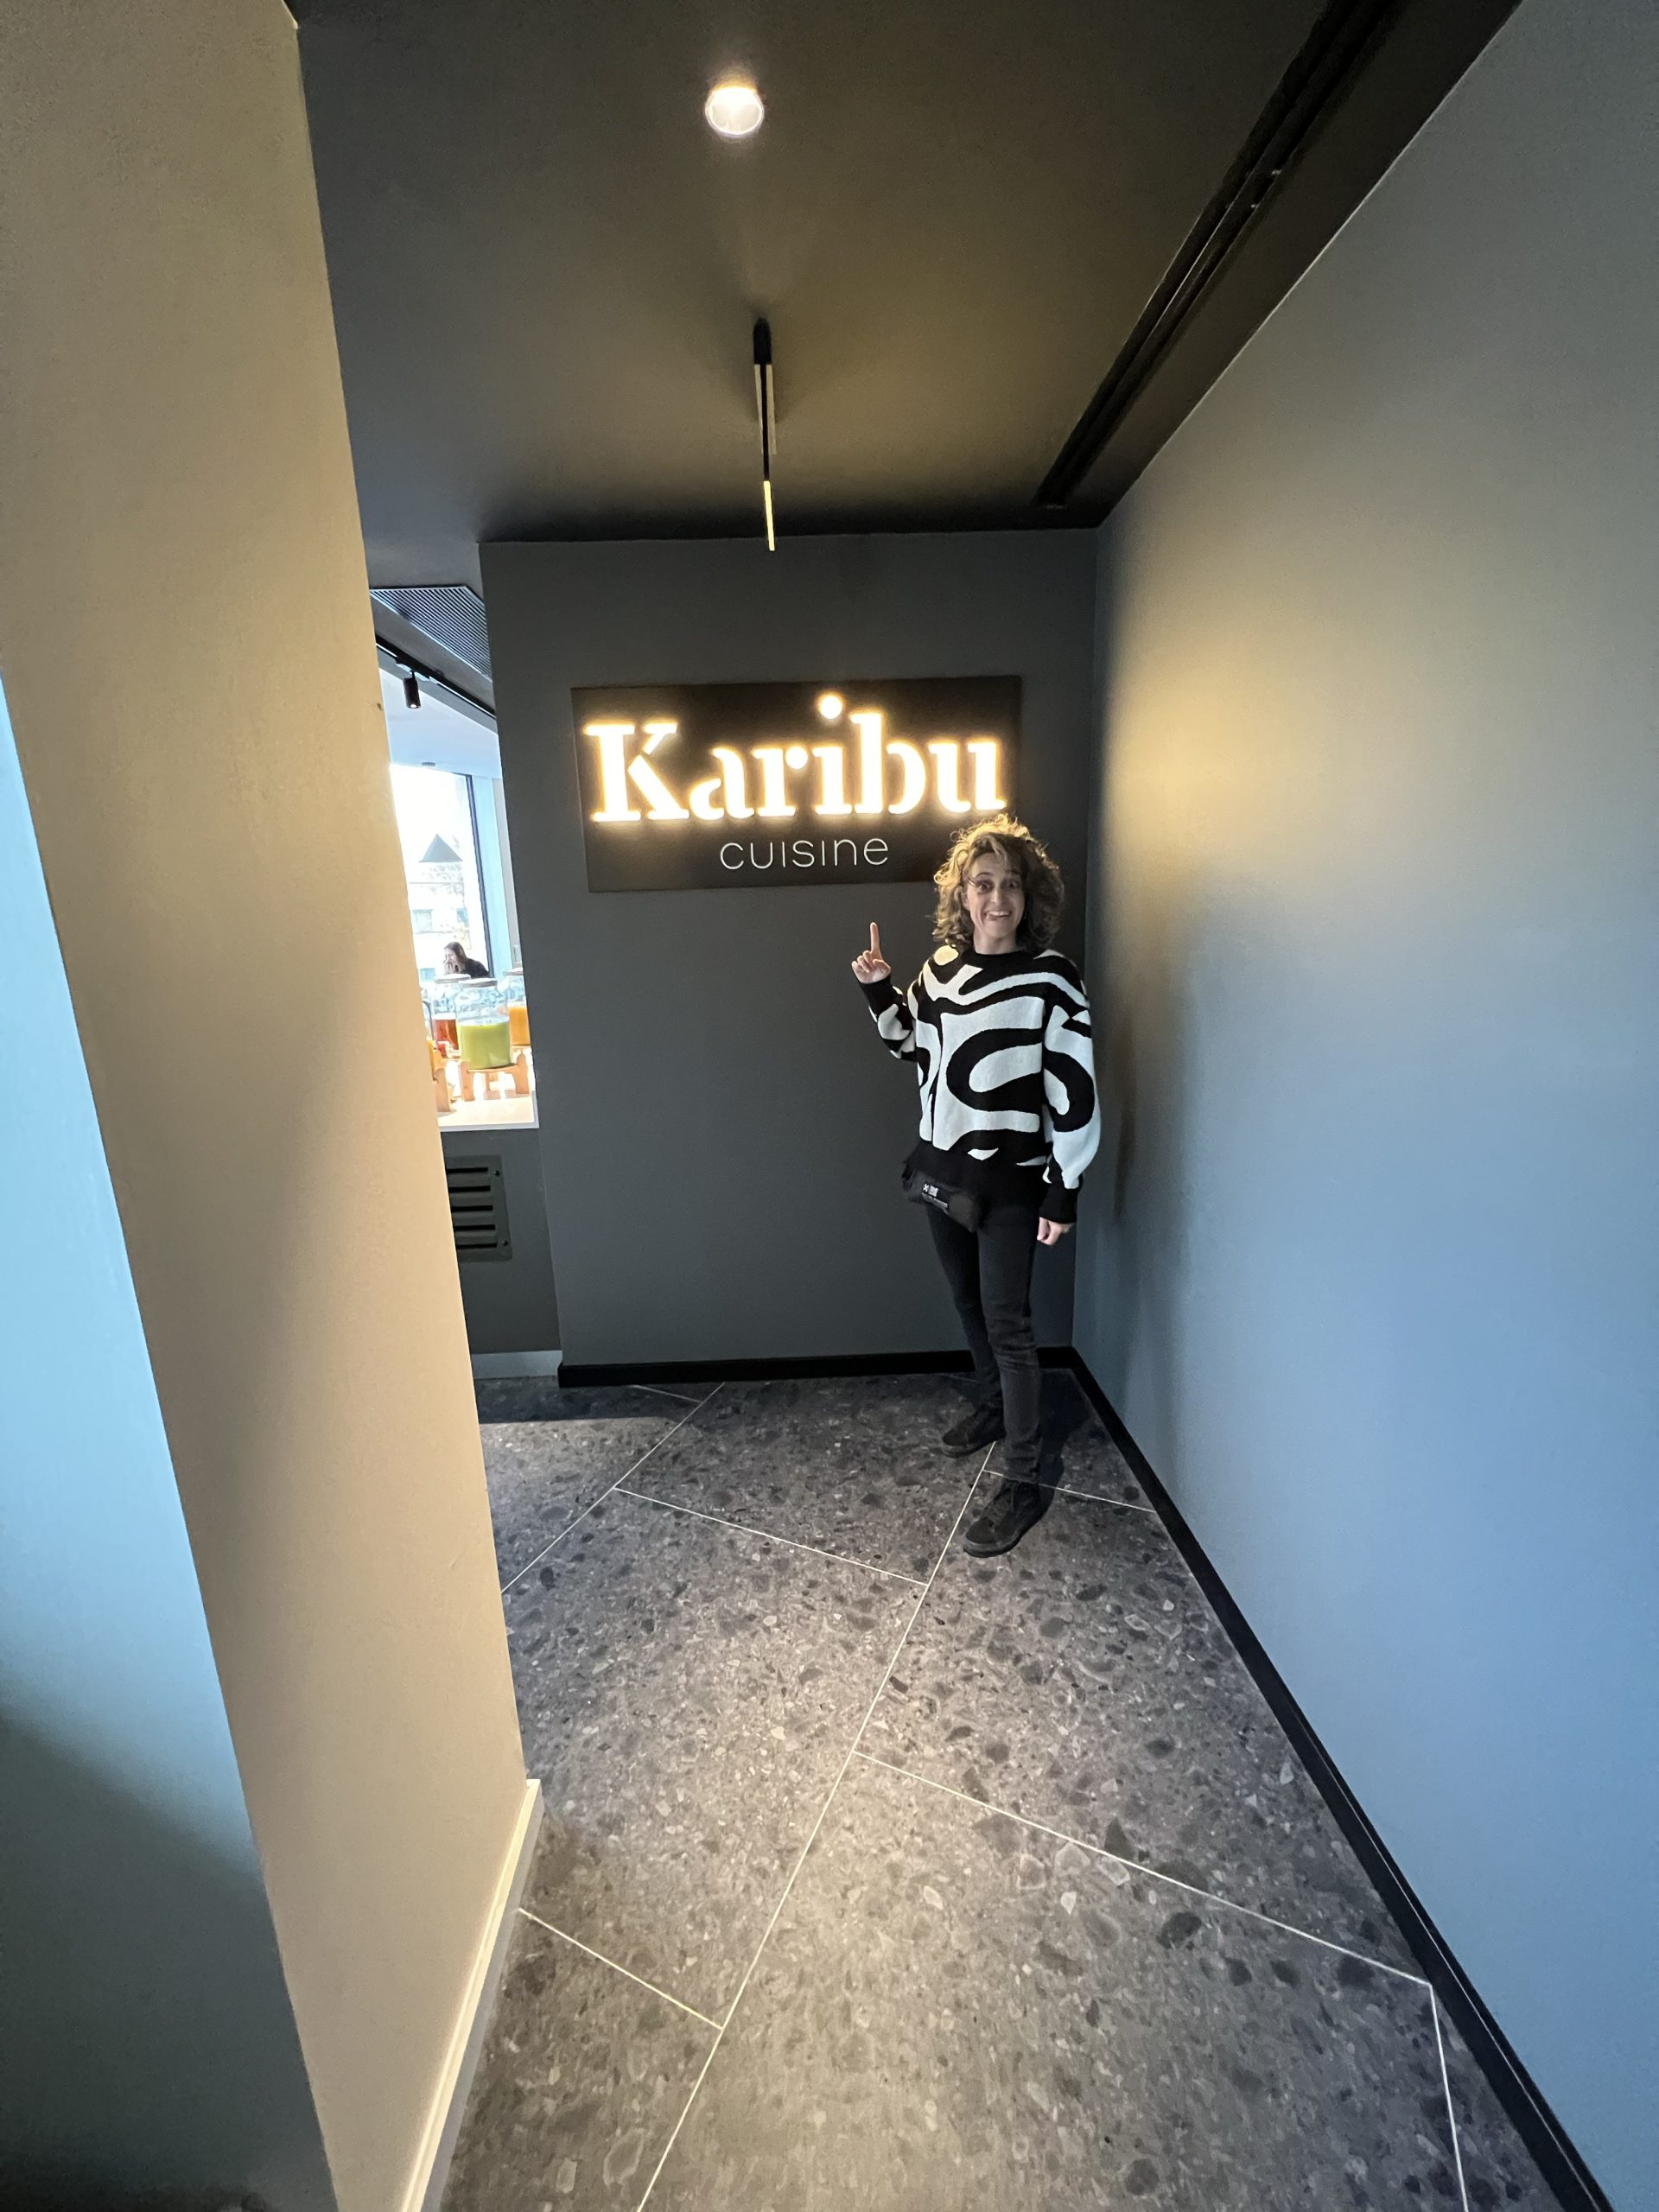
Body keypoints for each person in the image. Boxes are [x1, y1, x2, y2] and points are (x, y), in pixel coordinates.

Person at [851, 814, 1099, 1557]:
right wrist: (879, 990)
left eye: (1010, 885)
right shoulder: (938, 971)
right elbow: (911, 1046)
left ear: (1028, 896)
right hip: (943, 1172)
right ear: (961, 895)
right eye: (983, 884)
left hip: (1013, 1184)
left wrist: (1064, 1187)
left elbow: (1075, 1087)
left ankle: (1024, 1479)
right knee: (966, 1302)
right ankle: (993, 1405)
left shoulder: (1053, 979)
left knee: (1010, 1326)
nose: (997, 898)